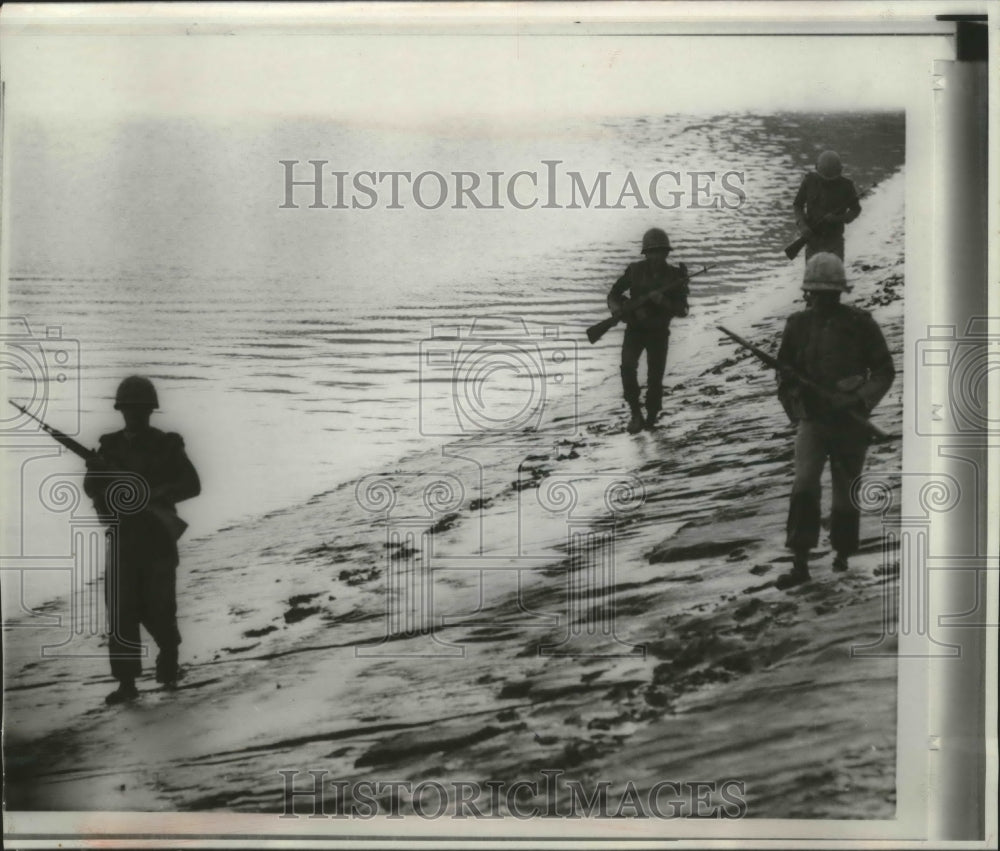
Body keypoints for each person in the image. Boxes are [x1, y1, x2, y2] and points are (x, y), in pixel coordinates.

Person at [774, 253, 895, 590]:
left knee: (845, 492)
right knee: (804, 485)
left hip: (851, 422)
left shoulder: (861, 323)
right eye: (818, 293)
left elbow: (884, 371)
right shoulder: (796, 326)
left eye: (830, 294)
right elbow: (783, 375)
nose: (824, 300)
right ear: (808, 293)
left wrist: (857, 399)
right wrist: (796, 402)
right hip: (813, 421)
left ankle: (842, 556)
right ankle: (800, 561)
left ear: (840, 293)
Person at [83, 376, 201, 705]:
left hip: (157, 535)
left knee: (159, 607)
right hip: (122, 536)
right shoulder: (109, 447)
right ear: (122, 411)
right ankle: (126, 683)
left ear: (150, 411)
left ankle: (169, 651)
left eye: (141, 410)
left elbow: (192, 484)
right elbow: (93, 489)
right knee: (121, 611)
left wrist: (156, 493)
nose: (135, 416)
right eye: (130, 410)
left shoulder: (167, 444)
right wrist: (94, 474)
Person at [607, 227, 690, 434]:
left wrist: (663, 301)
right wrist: (621, 311)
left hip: (659, 332)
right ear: (646, 253)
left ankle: (652, 415)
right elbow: (613, 295)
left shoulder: (675, 276)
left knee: (655, 377)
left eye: (660, 252)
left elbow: (683, 310)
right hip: (635, 330)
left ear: (666, 253)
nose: (656, 256)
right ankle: (635, 412)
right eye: (652, 252)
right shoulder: (634, 270)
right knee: (627, 367)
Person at [792, 150, 862, 261]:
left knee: (835, 276)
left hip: (835, 242)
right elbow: (797, 205)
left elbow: (856, 210)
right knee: (812, 276)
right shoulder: (809, 181)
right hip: (813, 241)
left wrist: (838, 219)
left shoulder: (846, 186)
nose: (828, 182)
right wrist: (802, 225)